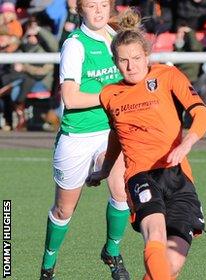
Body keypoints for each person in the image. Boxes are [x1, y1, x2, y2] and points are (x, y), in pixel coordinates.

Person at [86, 15, 206, 279]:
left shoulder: (167, 75)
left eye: (136, 58)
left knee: (172, 264)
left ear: (147, 55)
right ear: (115, 62)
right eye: (123, 60)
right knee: (155, 233)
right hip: (141, 175)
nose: (130, 66)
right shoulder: (109, 94)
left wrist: (186, 143)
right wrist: (106, 169)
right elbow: (117, 135)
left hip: (177, 174)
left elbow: (202, 114)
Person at [39, 2, 132, 279]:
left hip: (110, 132)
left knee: (121, 189)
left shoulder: (116, 39)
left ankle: (112, 252)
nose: (99, 11)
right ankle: (48, 265)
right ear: (81, 10)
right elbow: (70, 97)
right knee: (64, 210)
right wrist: (111, 98)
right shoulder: (75, 45)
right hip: (77, 137)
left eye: (104, 4)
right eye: (92, 5)